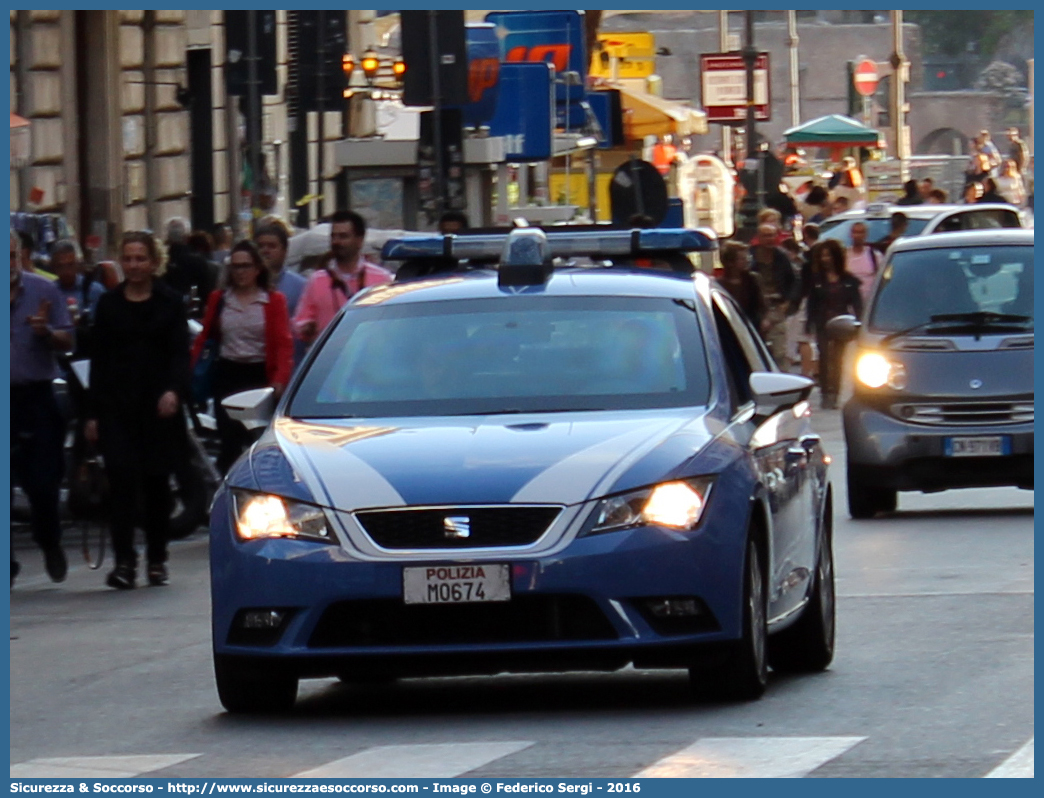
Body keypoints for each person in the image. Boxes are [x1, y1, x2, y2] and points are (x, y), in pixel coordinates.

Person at [85, 231, 190, 589]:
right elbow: (98, 361)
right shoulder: (109, 305)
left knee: (157, 484)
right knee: (122, 482)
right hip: (117, 406)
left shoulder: (171, 302)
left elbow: (179, 353)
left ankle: (157, 558)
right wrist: (93, 414)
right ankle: (125, 561)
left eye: (140, 258)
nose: (133, 265)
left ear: (153, 261)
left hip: (158, 408)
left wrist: (174, 391)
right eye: (128, 259)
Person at [192, 240, 293, 474]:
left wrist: (279, 379)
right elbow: (205, 337)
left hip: (259, 376)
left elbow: (283, 344)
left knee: (259, 442)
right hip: (227, 374)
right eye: (235, 267)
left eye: (246, 266)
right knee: (229, 440)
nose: (241, 272)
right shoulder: (220, 299)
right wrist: (192, 369)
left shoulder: (273, 301)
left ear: (257, 268)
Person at [10, 229, 74, 585]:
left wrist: (46, 332)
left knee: (42, 483)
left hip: (35, 397)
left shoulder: (43, 292)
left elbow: (68, 339)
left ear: (20, 256)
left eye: (10, 256)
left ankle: (49, 541)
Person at [293, 210, 392, 346]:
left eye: (343, 236)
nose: (337, 242)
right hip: (330, 360)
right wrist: (306, 327)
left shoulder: (381, 279)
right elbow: (300, 322)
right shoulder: (316, 280)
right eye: (334, 236)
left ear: (360, 240)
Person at [805, 239, 862, 410]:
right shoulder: (817, 280)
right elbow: (812, 302)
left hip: (842, 323)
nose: (825, 259)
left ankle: (835, 392)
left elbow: (857, 303)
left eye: (828, 255)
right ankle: (825, 392)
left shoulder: (849, 280)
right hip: (822, 321)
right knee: (823, 357)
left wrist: (859, 323)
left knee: (838, 358)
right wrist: (810, 321)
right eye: (822, 256)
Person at [750, 222, 798, 367]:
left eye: (772, 235)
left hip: (777, 306)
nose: (769, 239)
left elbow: (794, 280)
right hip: (756, 308)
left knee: (780, 352)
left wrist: (788, 302)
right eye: (765, 236)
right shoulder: (750, 255)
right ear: (759, 237)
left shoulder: (782, 256)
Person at [163, 217, 215, 314]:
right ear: (187, 236)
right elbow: (205, 292)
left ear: (168, 238)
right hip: (192, 313)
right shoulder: (197, 261)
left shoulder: (163, 261)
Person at [51, 238, 105, 326]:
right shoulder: (49, 291)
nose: (66, 271)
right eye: (60, 266)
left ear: (77, 264)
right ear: (53, 268)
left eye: (70, 265)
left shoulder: (94, 290)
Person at [717, 242, 765, 331]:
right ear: (730, 263)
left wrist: (764, 320)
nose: (747, 261)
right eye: (742, 259)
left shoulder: (753, 280)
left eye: (747, 257)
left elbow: (762, 305)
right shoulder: (718, 285)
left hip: (752, 327)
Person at [845, 221, 880, 303]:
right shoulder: (844, 256)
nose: (858, 236)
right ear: (851, 234)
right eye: (855, 232)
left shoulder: (875, 256)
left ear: (866, 235)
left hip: (870, 303)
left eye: (861, 232)